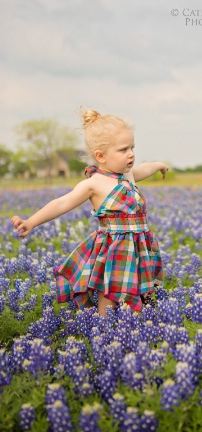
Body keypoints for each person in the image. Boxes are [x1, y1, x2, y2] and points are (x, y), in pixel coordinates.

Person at [11, 109, 168, 316]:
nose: (130, 154)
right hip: (113, 248)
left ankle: (131, 333)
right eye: (123, 150)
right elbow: (62, 203)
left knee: (136, 292)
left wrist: (158, 165)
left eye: (132, 147)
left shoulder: (128, 174)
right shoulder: (94, 183)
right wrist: (31, 221)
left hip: (138, 245)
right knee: (109, 292)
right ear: (100, 156)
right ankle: (104, 330)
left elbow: (144, 169)